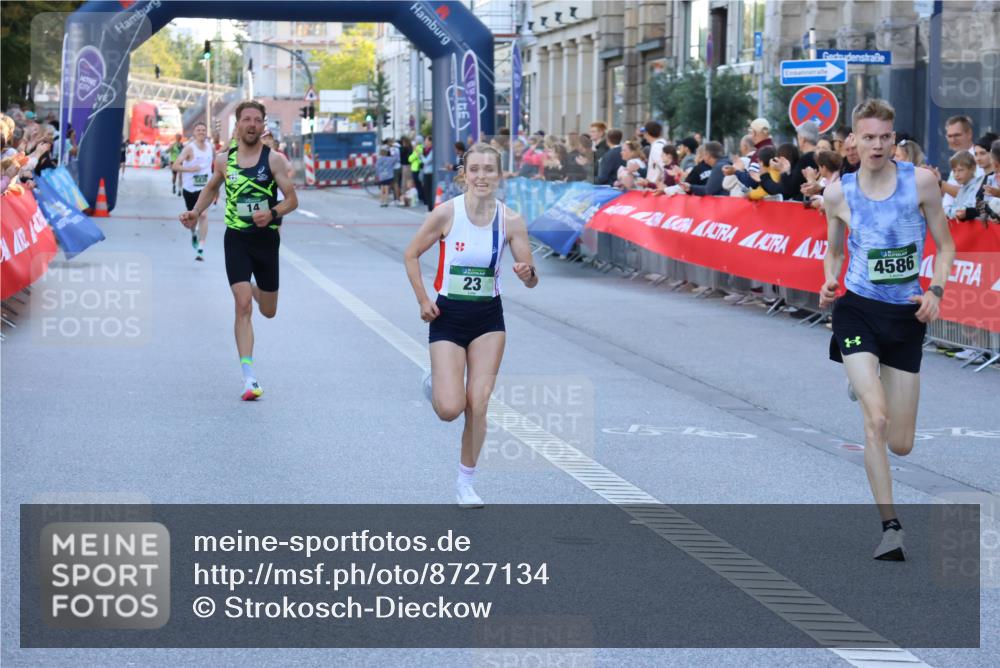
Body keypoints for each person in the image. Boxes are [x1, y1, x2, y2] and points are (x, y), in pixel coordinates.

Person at [819, 99, 955, 561]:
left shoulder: (920, 182)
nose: (877, 145)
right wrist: (829, 279)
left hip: (906, 316)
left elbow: (947, 244)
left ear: (894, 139)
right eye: (868, 137)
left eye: (885, 137)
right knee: (875, 421)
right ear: (853, 140)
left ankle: (863, 378)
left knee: (901, 443)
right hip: (856, 310)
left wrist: (935, 289)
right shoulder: (838, 194)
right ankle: (890, 527)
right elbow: (834, 251)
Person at [403, 143, 539, 508]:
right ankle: (434, 382)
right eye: (474, 169)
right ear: (464, 174)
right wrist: (423, 300)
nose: (481, 176)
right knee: (450, 408)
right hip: (447, 316)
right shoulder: (447, 214)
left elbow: (530, 278)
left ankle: (466, 482)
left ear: (499, 175)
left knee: (478, 403)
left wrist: (527, 273)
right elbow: (411, 254)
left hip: (488, 319)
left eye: (489, 169)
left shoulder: (510, 220)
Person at [179, 101, 298, 401]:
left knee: (268, 311)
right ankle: (249, 378)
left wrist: (272, 213)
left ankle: (259, 291)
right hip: (237, 239)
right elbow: (211, 189)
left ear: (262, 125)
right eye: (246, 119)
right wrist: (195, 212)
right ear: (238, 125)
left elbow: (292, 200)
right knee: (242, 304)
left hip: (266, 240)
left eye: (257, 120)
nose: (252, 125)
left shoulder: (274, 161)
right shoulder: (223, 160)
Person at [172, 121, 215, 261]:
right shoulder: (189, 149)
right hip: (189, 189)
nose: (201, 132)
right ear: (194, 133)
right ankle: (193, 233)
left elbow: (214, 165)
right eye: (199, 130)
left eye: (203, 130)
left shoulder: (210, 147)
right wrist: (190, 169)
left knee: (203, 215)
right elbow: (175, 165)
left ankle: (201, 248)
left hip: (205, 189)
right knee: (192, 217)